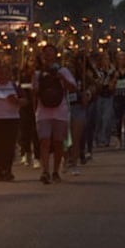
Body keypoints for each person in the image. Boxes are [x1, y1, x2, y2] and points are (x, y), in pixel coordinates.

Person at [33, 44, 77, 184]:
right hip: (43, 111)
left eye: (51, 52)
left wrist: (62, 79)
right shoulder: (37, 73)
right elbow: (34, 92)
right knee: (44, 141)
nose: (48, 55)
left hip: (60, 111)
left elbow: (73, 88)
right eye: (46, 53)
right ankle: (45, 171)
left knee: (58, 143)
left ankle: (56, 171)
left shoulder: (63, 71)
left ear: (56, 55)